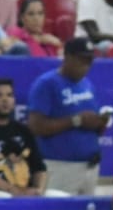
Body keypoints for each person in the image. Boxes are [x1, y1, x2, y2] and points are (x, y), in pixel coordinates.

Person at [26, 37, 108, 194]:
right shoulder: (46, 84)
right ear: (67, 57)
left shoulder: (87, 84)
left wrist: (99, 123)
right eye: (82, 59)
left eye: (90, 60)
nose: (86, 65)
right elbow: (35, 127)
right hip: (59, 166)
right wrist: (76, 121)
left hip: (89, 166)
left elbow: (89, 122)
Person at [0, 77, 48, 196]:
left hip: (26, 191)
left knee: (58, 196)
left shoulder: (24, 131)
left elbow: (39, 168)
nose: (5, 99)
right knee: (3, 196)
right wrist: (15, 192)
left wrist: (39, 191)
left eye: (9, 95)